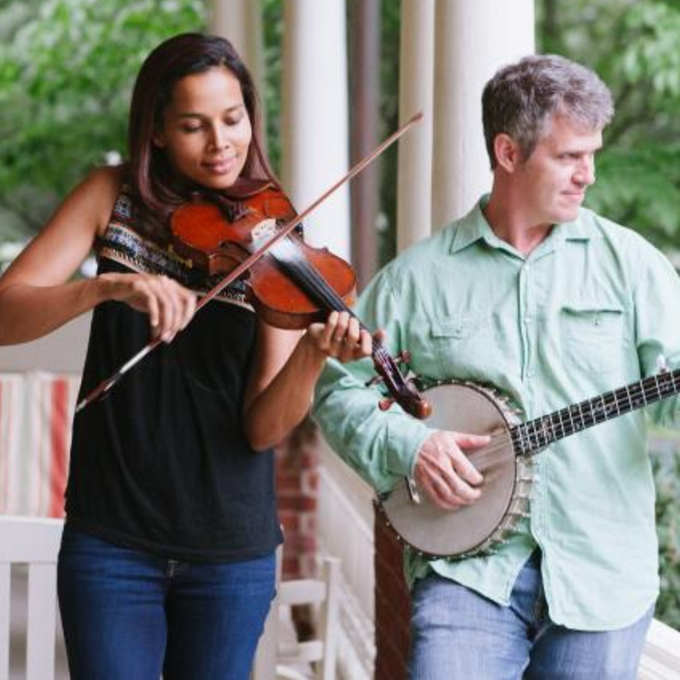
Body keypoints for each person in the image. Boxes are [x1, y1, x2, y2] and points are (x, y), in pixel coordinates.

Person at [0, 32, 371, 680]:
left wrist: (312, 355)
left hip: (229, 552)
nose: (221, 142)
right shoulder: (110, 197)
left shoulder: (273, 232)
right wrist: (108, 287)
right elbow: (6, 314)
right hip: (113, 539)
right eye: (194, 126)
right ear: (158, 131)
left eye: (233, 119)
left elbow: (262, 429)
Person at [313, 54, 680, 679]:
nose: (588, 175)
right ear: (508, 152)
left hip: (601, 573)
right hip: (467, 574)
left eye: (592, 154)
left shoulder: (631, 265)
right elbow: (338, 393)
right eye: (569, 156)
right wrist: (412, 447)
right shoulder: (417, 279)